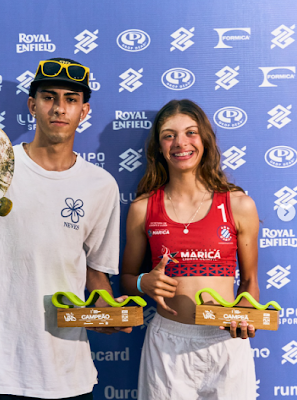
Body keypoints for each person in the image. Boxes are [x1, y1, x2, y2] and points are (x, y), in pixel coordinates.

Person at [0, 58, 130, 400]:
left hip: (66, 374)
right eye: (49, 97)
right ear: (32, 105)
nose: (59, 108)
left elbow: (96, 275)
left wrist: (110, 314)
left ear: (84, 111)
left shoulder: (101, 185)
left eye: (71, 99)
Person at [121, 99, 259, 400]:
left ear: (204, 140)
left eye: (190, 132)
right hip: (168, 343)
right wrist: (144, 282)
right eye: (169, 135)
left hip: (225, 343)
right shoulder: (143, 208)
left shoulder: (238, 204)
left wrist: (247, 317)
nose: (180, 143)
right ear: (158, 146)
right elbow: (128, 277)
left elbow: (249, 283)